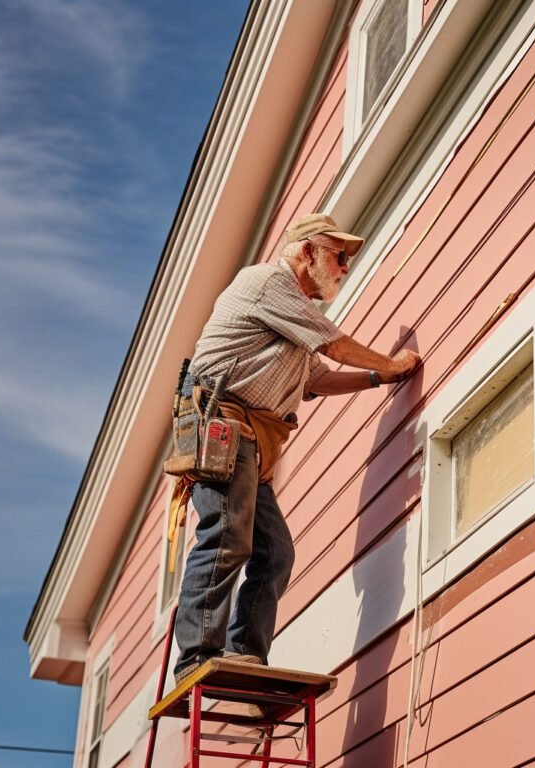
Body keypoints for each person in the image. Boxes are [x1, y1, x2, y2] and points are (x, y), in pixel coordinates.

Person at [173, 213, 421, 683]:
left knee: (276, 554)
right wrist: (389, 364)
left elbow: (318, 378)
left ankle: (244, 652)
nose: (346, 267)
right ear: (307, 251)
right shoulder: (267, 282)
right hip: (223, 427)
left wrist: (377, 378)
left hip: (253, 445)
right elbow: (336, 347)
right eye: (339, 256)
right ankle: (195, 660)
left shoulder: (291, 318)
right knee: (226, 540)